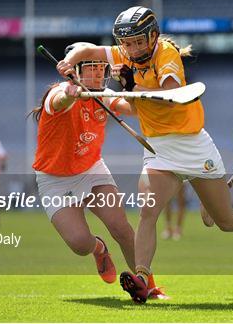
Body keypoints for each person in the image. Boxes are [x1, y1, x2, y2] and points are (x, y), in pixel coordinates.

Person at [57, 6, 233, 304]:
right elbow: (91, 50)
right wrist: (69, 62)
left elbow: (169, 98)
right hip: (158, 149)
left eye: (139, 41)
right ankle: (142, 279)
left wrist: (129, 85)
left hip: (193, 145)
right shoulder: (125, 54)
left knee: (224, 220)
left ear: (153, 36)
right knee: (148, 212)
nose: (132, 48)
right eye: (126, 43)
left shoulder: (166, 55)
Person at [32, 43, 166, 298]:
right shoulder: (59, 93)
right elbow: (60, 101)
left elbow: (136, 109)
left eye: (99, 68)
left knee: (122, 228)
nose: (96, 74)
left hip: (92, 170)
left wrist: (128, 84)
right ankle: (98, 249)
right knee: (80, 244)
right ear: (76, 71)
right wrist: (71, 93)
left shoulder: (103, 95)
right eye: (89, 68)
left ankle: (148, 286)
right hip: (54, 180)